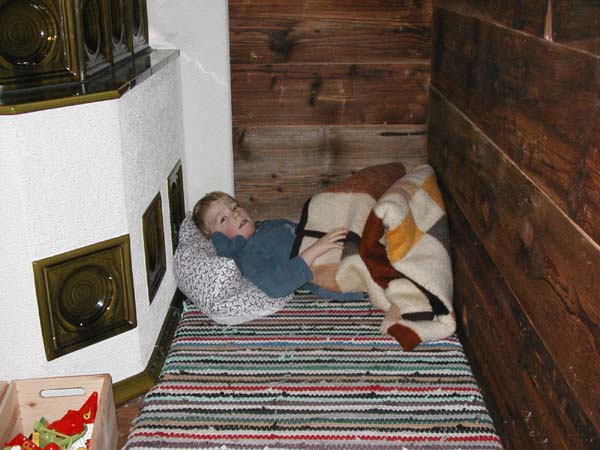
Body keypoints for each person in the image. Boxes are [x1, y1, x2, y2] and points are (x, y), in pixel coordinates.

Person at [193, 191, 363, 300]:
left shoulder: (270, 225)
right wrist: (316, 249)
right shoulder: (250, 255)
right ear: (219, 238)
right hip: (333, 271)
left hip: (342, 243)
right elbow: (276, 286)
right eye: (223, 219)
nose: (235, 214)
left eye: (235, 207)